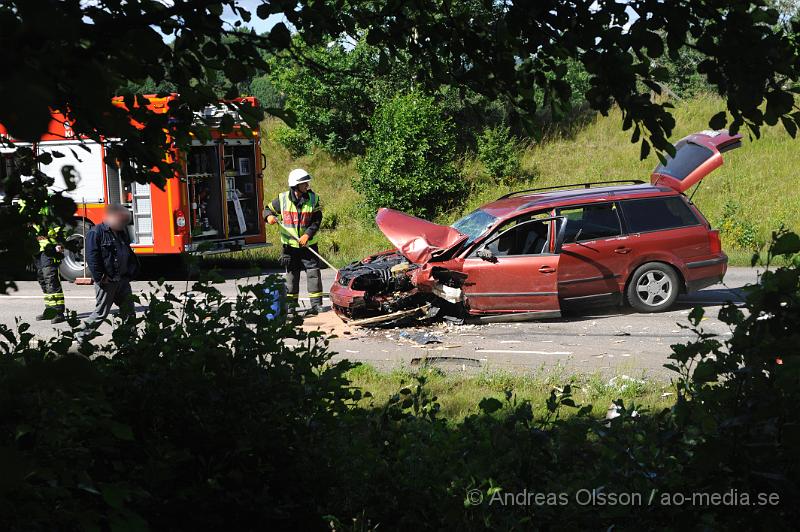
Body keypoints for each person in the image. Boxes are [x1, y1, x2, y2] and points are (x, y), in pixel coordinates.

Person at [265, 168, 324, 314]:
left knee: (313, 273)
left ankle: (316, 305)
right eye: (304, 183)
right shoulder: (282, 199)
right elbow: (267, 210)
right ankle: (291, 305)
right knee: (292, 275)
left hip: (308, 245)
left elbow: (317, 220)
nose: (307, 185)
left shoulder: (313, 199)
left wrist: (307, 235)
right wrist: (269, 217)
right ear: (295, 185)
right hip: (289, 247)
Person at [77, 204, 140, 341]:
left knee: (129, 311)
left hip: (122, 280)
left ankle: (132, 338)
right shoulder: (96, 232)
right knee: (101, 312)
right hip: (108, 281)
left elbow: (126, 251)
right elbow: (92, 258)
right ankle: (81, 334)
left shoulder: (121, 232)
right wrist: (100, 277)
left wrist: (130, 271)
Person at [22, 199, 67, 323]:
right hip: (36, 249)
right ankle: (49, 310)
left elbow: (58, 227)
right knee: (42, 279)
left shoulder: (48, 207)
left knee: (51, 279)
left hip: (49, 248)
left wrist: (59, 243)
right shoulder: (27, 206)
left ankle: (58, 312)